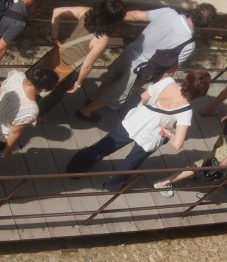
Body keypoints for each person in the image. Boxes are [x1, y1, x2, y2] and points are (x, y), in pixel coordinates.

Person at [67, 70, 211, 191]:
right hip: (151, 136)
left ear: (186, 80)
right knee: (131, 163)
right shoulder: (186, 111)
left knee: (104, 146)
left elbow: (144, 96)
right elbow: (177, 144)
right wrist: (168, 133)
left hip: (136, 121)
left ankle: (75, 168)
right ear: (200, 94)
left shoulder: (167, 82)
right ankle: (112, 185)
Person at [76, 3, 212, 122]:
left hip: (128, 53)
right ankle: (87, 111)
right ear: (204, 25)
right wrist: (158, 88)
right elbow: (170, 69)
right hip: (140, 70)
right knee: (116, 94)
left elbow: (135, 16)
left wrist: (110, 18)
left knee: (110, 78)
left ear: (194, 11)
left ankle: (94, 97)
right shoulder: (189, 44)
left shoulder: (168, 12)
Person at [37, 0, 128, 112]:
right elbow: (86, 65)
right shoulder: (102, 39)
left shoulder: (85, 12)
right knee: (50, 96)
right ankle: (37, 114)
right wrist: (78, 84)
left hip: (56, 56)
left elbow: (57, 11)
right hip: (69, 70)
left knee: (35, 80)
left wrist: (55, 38)